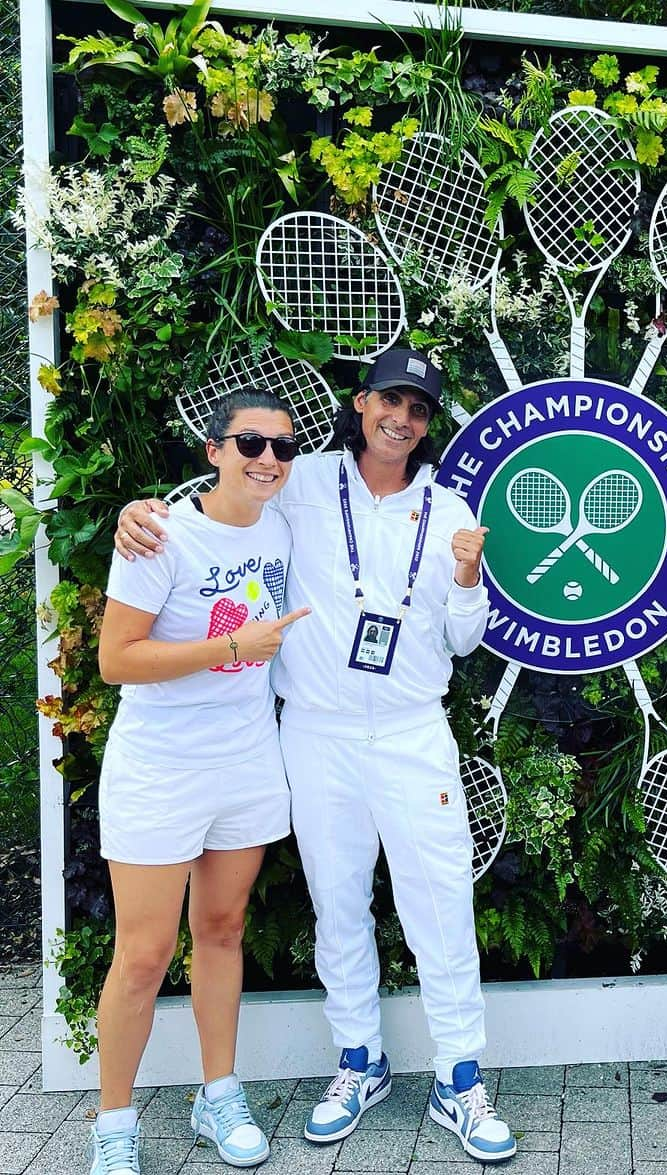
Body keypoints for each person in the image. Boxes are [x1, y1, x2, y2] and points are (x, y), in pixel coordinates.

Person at [114, 349, 516, 1164]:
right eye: (389, 400)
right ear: (362, 403)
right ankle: (358, 1062)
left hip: (411, 728)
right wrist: (141, 510)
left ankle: (460, 1078)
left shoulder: (449, 510)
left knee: (439, 900)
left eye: (419, 408)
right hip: (315, 729)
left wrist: (470, 579)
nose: (401, 418)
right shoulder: (301, 477)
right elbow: (227, 494)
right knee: (337, 902)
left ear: (428, 423)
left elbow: (465, 639)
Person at [91, 389, 308, 1174]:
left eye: (283, 448)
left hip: (247, 762)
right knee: (144, 955)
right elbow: (117, 659)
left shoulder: (285, 523)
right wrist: (232, 648)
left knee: (221, 931)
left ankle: (218, 1093)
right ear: (213, 450)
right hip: (160, 768)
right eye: (250, 444)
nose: (268, 460)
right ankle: (113, 1123)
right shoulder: (159, 535)